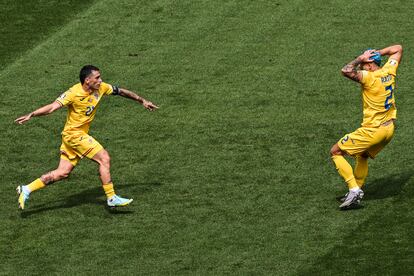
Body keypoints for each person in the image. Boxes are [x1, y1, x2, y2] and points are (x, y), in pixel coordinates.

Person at [15, 65, 158, 210]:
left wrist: (142, 100)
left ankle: (26, 189)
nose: (100, 80)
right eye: (97, 78)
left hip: (73, 137)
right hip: (74, 135)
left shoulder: (101, 88)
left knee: (62, 173)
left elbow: (120, 91)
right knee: (104, 158)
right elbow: (52, 107)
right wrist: (32, 114)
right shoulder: (73, 93)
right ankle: (111, 197)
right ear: (87, 80)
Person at [330, 45, 403, 210]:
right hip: (388, 130)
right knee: (362, 155)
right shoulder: (389, 72)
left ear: (370, 65)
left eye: (364, 65)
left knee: (335, 152)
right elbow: (398, 48)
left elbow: (346, 70)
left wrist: (359, 59)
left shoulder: (369, 77)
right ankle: (357, 189)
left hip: (373, 130)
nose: (362, 68)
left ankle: (354, 190)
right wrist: (378, 53)